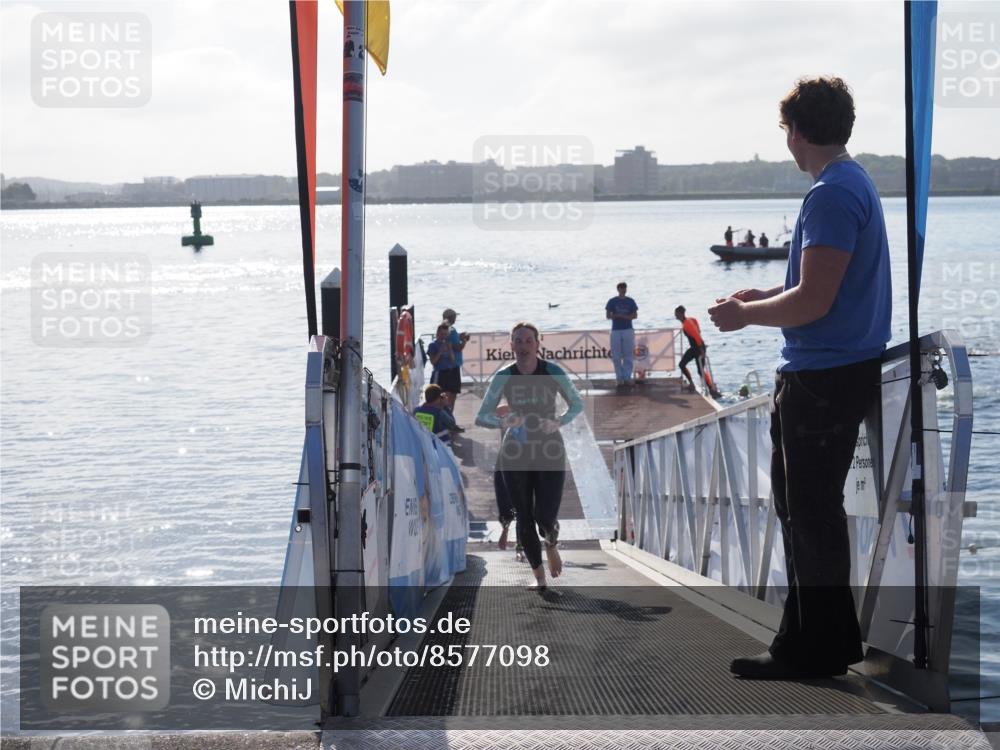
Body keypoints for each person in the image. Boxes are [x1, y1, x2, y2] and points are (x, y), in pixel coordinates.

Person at [708, 76, 890, 680]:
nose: (786, 141)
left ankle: (811, 649)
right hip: (839, 369)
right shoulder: (851, 181)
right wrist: (769, 293)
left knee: (807, 514)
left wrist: (744, 316)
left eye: (785, 129)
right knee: (810, 511)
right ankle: (821, 641)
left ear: (800, 131)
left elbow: (813, 302)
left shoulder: (831, 194)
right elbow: (820, 288)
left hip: (822, 376)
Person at [475, 322, 584, 589]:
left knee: (545, 516)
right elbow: (482, 415)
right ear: (511, 345)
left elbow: (577, 403)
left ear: (538, 344)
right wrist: (505, 422)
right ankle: (540, 578)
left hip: (550, 450)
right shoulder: (504, 375)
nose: (523, 346)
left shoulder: (552, 371)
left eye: (528, 341)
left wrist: (559, 421)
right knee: (524, 515)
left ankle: (551, 542)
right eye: (518, 341)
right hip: (515, 453)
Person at [674, 306, 721, 398]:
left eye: (676, 314)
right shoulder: (691, 320)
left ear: (680, 314)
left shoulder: (687, 324)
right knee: (682, 365)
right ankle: (693, 384)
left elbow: (696, 336)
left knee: (700, 371)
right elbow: (698, 330)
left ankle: (711, 389)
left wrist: (701, 350)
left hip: (698, 348)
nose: (675, 316)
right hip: (695, 347)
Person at [605, 282, 639, 387]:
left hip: (628, 329)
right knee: (616, 355)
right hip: (616, 330)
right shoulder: (612, 301)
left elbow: (635, 315)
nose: (623, 290)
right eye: (621, 288)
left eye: (624, 288)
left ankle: (627, 377)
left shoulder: (630, 301)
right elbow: (608, 315)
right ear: (618, 289)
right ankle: (619, 378)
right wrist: (616, 315)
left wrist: (626, 317)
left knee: (628, 355)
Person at [427, 322, 461, 411]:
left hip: (451, 371)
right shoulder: (433, 345)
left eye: (446, 334)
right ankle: (440, 416)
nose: (443, 336)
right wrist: (440, 352)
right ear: (437, 333)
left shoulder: (448, 344)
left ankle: (450, 417)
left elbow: (453, 361)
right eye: (442, 334)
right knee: (441, 397)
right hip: (440, 373)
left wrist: (450, 350)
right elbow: (433, 362)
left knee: (452, 397)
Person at [442, 307, 470, 388]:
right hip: (453, 365)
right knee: (452, 391)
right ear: (451, 318)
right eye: (454, 317)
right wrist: (464, 340)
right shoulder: (452, 330)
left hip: (446, 364)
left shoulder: (443, 329)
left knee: (447, 389)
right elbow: (458, 348)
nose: (455, 318)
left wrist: (459, 336)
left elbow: (450, 341)